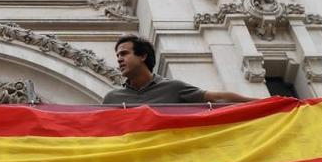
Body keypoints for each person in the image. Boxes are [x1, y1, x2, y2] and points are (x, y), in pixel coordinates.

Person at [103, 35, 257, 105]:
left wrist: (265, 104)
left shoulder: (173, 88)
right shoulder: (112, 98)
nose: (119, 59)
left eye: (124, 53)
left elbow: (217, 98)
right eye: (117, 55)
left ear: (143, 56)